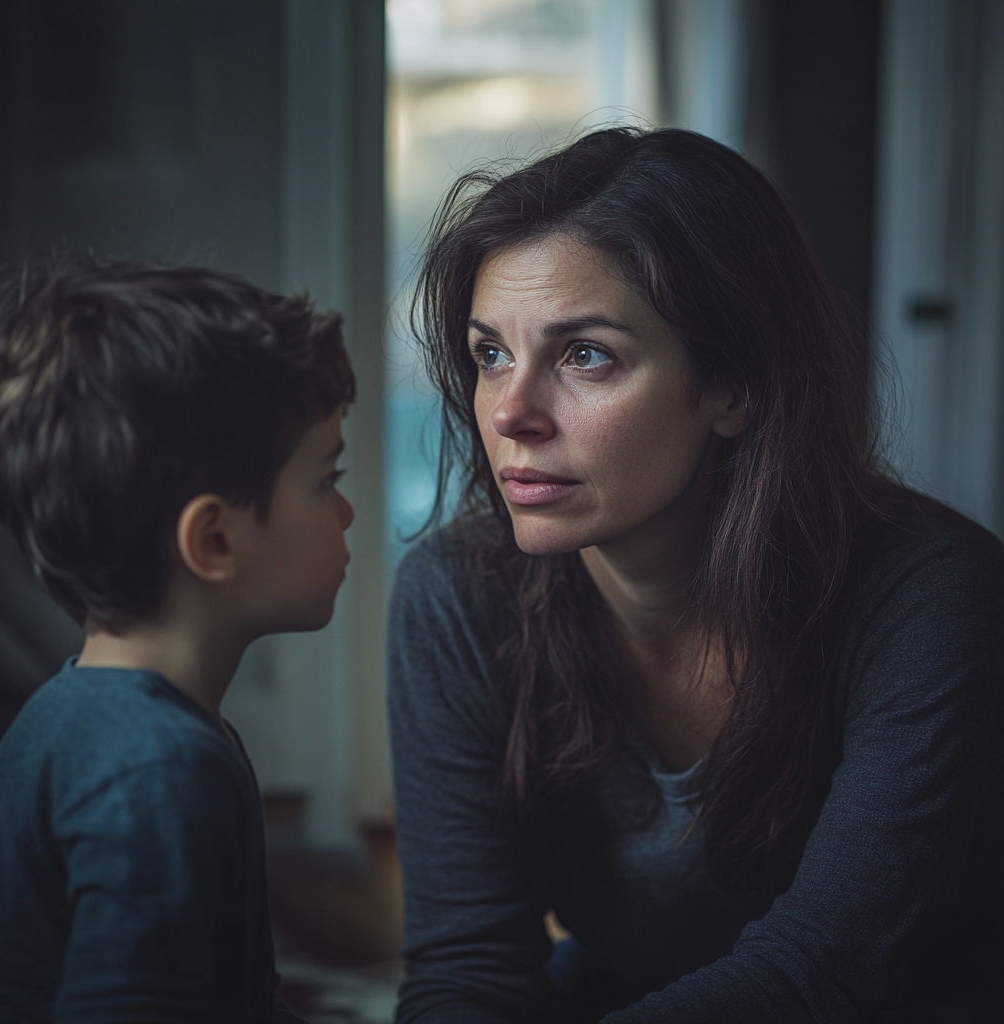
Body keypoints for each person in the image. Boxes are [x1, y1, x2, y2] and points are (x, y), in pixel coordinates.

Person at [387, 127, 1004, 1023]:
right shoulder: (455, 595)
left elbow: (821, 974)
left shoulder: (932, 599)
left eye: (585, 354)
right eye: (490, 354)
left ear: (735, 385)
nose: (511, 414)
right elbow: (469, 965)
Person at [0, 259, 355, 1023]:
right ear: (214, 539)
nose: (345, 512)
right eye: (325, 480)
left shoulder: (71, 714)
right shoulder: (156, 769)